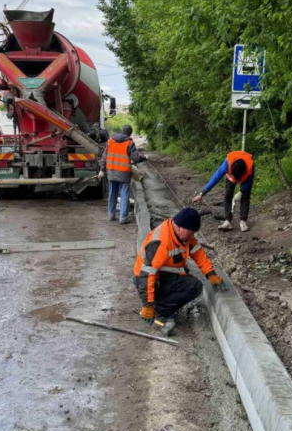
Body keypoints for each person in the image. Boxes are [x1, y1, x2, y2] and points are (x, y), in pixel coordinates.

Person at [133, 207, 227, 336]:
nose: (192, 236)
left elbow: (198, 253)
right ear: (179, 227)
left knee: (194, 286)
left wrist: (210, 273)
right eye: (190, 233)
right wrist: (147, 305)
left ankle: (161, 306)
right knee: (192, 286)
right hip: (147, 280)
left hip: (163, 276)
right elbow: (146, 275)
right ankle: (159, 310)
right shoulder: (160, 242)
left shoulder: (184, 235)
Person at [192, 150, 254, 232]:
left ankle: (243, 221)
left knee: (245, 196)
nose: (237, 180)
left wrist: (242, 191)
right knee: (228, 195)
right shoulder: (227, 164)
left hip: (245, 177)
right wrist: (202, 193)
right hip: (230, 177)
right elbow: (215, 178)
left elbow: (249, 182)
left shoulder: (250, 165)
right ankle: (228, 221)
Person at [98, 124, 146, 224]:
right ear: (129, 133)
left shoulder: (110, 141)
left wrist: (102, 170)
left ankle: (111, 215)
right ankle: (123, 218)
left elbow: (104, 157)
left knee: (112, 194)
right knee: (124, 195)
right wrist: (145, 157)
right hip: (124, 173)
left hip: (111, 172)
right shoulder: (129, 143)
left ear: (121, 131)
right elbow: (136, 158)